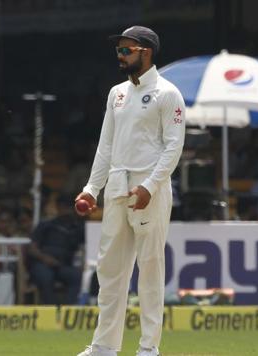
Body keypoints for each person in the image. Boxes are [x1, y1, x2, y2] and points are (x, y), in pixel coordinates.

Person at [75, 26, 185, 356]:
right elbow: (106, 145)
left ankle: (148, 349)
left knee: (150, 269)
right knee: (110, 271)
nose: (120, 56)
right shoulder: (117, 93)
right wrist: (92, 189)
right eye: (119, 51)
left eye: (126, 50)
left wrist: (150, 186)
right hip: (117, 187)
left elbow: (174, 146)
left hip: (148, 188)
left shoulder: (168, 93)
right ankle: (104, 347)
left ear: (145, 52)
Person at [27, 195, 84, 305]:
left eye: (68, 207)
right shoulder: (46, 225)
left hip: (62, 265)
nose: (66, 210)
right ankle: (52, 310)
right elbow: (32, 249)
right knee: (45, 277)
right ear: (58, 208)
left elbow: (84, 246)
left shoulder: (77, 229)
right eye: (63, 207)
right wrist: (45, 258)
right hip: (43, 263)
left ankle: (69, 309)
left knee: (77, 276)